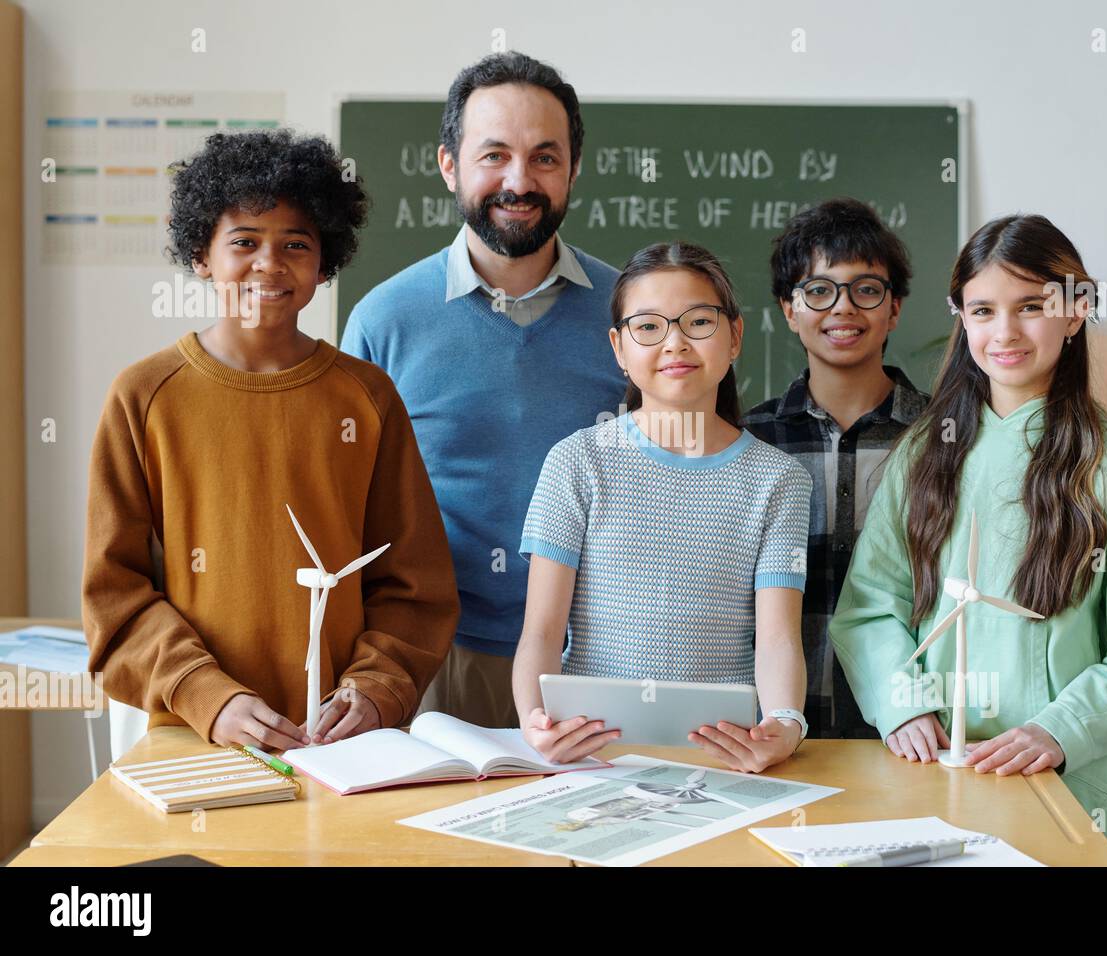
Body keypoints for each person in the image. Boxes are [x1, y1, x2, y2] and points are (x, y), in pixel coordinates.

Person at [828, 213, 1107, 854]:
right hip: (936, 765)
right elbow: (868, 608)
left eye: (1031, 306)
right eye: (983, 310)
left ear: (1077, 311)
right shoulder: (923, 454)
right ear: (961, 317)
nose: (1005, 332)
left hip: (1063, 776)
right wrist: (902, 703)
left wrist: (1061, 729)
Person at [83, 129, 459, 750]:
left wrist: (375, 687)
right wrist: (208, 694)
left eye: (295, 244)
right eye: (244, 242)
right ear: (202, 254)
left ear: (324, 260)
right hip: (194, 734)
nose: (269, 263)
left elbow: (413, 582)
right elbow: (113, 592)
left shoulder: (366, 398)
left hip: (339, 743)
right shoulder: (144, 396)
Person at [342, 52, 623, 728]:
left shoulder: (635, 317)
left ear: (574, 170)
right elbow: (346, 511)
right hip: (434, 661)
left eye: (545, 158)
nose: (519, 181)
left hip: (598, 661)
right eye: (494, 154)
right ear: (449, 165)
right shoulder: (384, 321)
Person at [512, 241, 813, 773]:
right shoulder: (577, 462)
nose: (675, 343)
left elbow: (778, 637)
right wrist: (536, 722)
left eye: (698, 322)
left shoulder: (778, 479)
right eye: (648, 327)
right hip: (594, 755)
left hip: (722, 758)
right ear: (619, 348)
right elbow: (540, 631)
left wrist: (786, 723)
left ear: (735, 336)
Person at [743, 197, 928, 739]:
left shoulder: (946, 438)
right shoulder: (751, 441)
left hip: (915, 728)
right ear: (788, 309)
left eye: (866, 290)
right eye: (819, 290)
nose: (842, 308)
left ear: (894, 309)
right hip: (775, 730)